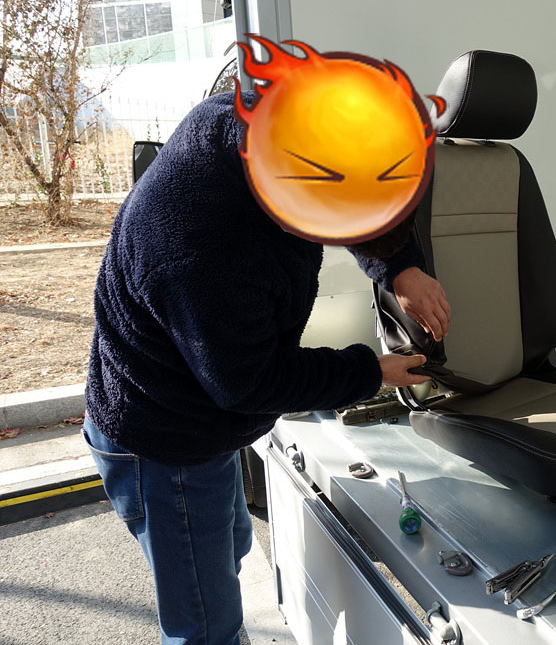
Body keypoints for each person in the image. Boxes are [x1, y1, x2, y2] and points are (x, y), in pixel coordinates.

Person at [82, 91, 450, 644]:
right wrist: (371, 372)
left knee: (229, 551)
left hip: (202, 414)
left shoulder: (269, 127)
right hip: (165, 437)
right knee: (206, 628)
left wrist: (400, 268)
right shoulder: (204, 247)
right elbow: (249, 381)